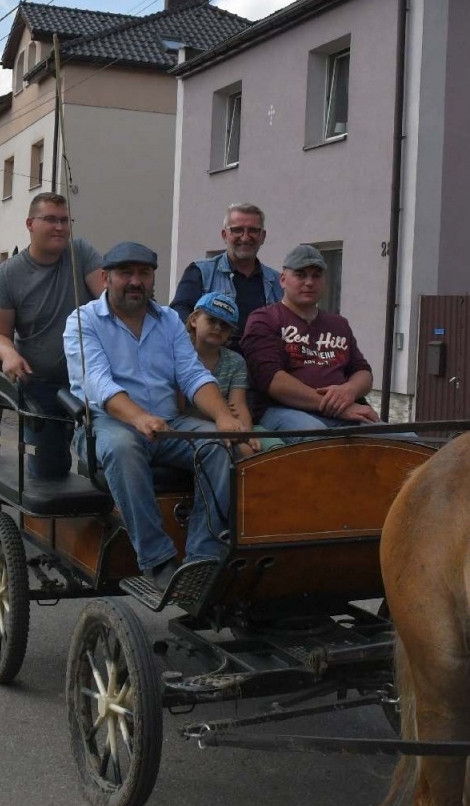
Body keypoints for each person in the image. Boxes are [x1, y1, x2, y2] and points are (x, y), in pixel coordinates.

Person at [64, 242, 250, 587]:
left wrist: (224, 417)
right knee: (123, 448)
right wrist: (138, 417)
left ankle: (203, 559)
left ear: (152, 279)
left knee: (220, 446)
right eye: (126, 273)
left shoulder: (169, 321)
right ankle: (157, 560)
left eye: (144, 274)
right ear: (106, 278)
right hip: (110, 424)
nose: (136, 281)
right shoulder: (83, 320)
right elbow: (96, 382)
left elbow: (193, 375)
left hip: (169, 424)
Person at [0, 192, 105, 479]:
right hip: (41, 385)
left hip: (93, 380)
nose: (60, 227)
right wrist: (9, 354)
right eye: (50, 219)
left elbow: (108, 301)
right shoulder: (7, 275)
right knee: (47, 470)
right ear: (30, 223)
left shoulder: (80, 253)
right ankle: (44, 523)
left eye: (65, 220)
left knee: (101, 463)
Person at [241, 243, 379, 435]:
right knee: (318, 438)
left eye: (316, 275)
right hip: (283, 411)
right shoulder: (264, 319)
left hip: (344, 412)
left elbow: (362, 370)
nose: (309, 282)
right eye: (300, 274)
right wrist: (337, 406)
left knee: (405, 440)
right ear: (282, 279)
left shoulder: (339, 324)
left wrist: (350, 390)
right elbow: (270, 379)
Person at [169, 203, 282, 348]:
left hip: (263, 364)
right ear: (224, 235)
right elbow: (179, 312)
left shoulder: (277, 282)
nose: (245, 237)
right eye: (237, 230)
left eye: (253, 230)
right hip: (213, 364)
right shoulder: (201, 272)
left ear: (263, 236)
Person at [179, 292, 260, 459]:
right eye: (211, 320)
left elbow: (238, 405)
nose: (217, 327)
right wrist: (220, 412)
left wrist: (247, 434)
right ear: (194, 320)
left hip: (225, 423)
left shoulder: (235, 361)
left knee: (251, 450)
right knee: (226, 446)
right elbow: (179, 408)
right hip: (185, 425)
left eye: (225, 325)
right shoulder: (180, 351)